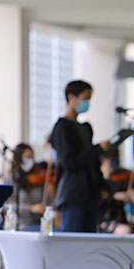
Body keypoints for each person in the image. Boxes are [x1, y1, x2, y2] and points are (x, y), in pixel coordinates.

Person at [51, 80, 110, 233]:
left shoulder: (86, 128)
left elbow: (92, 162)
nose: (87, 102)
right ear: (71, 98)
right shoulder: (62, 128)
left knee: (89, 246)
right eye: (85, 98)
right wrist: (97, 149)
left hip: (90, 195)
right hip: (72, 196)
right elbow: (69, 162)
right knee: (71, 246)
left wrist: (102, 186)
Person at [10, 143, 52, 231]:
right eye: (27, 157)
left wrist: (47, 209)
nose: (30, 161)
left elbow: (49, 201)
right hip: (20, 224)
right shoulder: (10, 178)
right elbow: (7, 206)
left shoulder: (39, 177)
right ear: (18, 158)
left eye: (32, 157)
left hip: (38, 224)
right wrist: (30, 209)